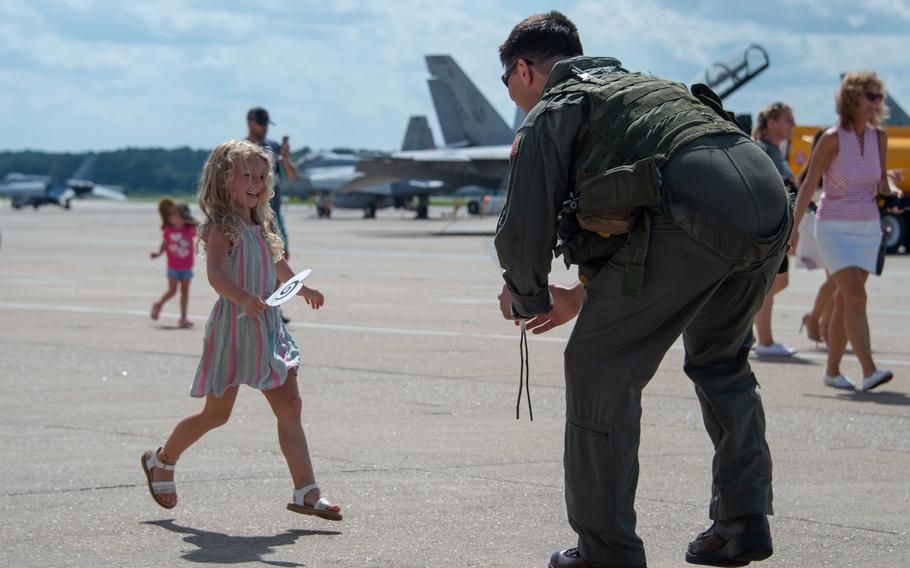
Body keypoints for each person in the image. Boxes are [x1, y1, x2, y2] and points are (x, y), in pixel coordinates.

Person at [494, 12, 789, 568]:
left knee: (597, 369)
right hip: (767, 202)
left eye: (506, 80)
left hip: (695, 210)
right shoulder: (649, 87)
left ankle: (605, 550)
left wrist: (527, 297)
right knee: (722, 362)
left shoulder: (553, 111)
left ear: (526, 69)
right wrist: (579, 296)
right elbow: (630, 220)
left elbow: (521, 231)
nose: (511, 94)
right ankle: (741, 520)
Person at [140, 140, 342, 522]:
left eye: (261, 176)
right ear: (223, 180)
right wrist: (243, 297)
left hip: (266, 326)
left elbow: (278, 263)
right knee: (216, 414)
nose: (255, 182)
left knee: (290, 404)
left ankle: (306, 491)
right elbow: (216, 275)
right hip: (234, 326)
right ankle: (162, 459)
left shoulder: (262, 222)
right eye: (246, 175)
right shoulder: (221, 227)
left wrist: (303, 288)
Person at [791, 71, 900, 392]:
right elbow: (809, 184)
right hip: (834, 226)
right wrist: (793, 229)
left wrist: (892, 188)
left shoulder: (880, 137)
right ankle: (869, 371)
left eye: (879, 96)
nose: (877, 102)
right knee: (856, 296)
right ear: (852, 98)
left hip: (868, 228)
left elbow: (880, 183)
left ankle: (833, 371)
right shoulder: (831, 139)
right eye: (871, 96)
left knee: (845, 302)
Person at [751, 103, 798, 357]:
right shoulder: (762, 150)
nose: (792, 125)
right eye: (787, 120)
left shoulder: (776, 151)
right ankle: (765, 342)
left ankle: (745, 325)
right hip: (770, 226)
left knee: (779, 281)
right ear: (771, 123)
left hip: (781, 225)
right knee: (770, 283)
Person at [246, 106, 300, 257]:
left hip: (274, 212)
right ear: (250, 123)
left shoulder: (274, 147)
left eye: (266, 124)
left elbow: (294, 177)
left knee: (282, 254)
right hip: (252, 213)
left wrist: (285, 159)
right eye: (261, 123)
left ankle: (273, 283)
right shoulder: (242, 149)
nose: (265, 128)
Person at [150, 198, 198, 328]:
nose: (171, 216)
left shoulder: (190, 229)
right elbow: (164, 245)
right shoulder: (169, 230)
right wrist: (158, 253)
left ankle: (183, 317)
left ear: (183, 215)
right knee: (172, 291)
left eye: (174, 213)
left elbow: (202, 235)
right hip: (173, 266)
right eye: (169, 214)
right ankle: (158, 305)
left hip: (187, 266)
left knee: (185, 292)